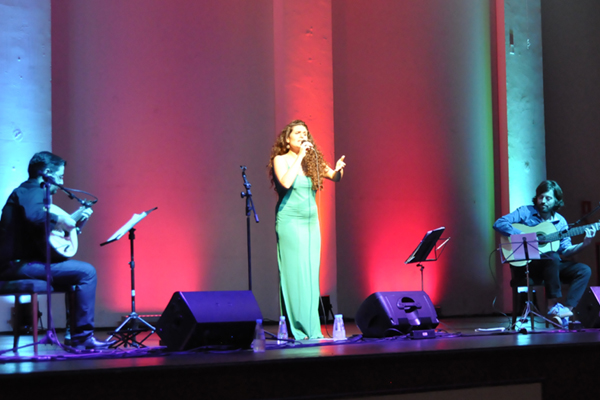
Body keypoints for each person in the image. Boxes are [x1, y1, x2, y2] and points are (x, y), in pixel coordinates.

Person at [0, 151, 114, 349]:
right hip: (16, 265)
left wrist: (75, 220)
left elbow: (42, 233)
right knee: (86, 272)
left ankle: (74, 335)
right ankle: (82, 338)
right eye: (60, 176)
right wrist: (63, 220)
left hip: (24, 262)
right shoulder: (32, 190)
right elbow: (36, 217)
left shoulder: (30, 194)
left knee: (77, 272)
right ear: (47, 173)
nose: (61, 182)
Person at [268, 120, 346, 340]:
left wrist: (339, 171)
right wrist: (300, 156)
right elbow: (285, 182)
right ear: (287, 138)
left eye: (305, 133)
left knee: (310, 274)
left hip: (311, 222)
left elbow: (333, 176)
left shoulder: (313, 161)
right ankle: (297, 328)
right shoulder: (280, 159)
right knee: (295, 274)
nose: (303, 136)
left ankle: (312, 328)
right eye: (298, 133)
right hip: (290, 221)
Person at [493, 180, 596, 324]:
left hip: (551, 267)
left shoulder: (561, 222)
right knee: (552, 256)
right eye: (541, 197)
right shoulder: (525, 212)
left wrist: (585, 244)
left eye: (548, 198)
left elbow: (566, 251)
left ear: (556, 201)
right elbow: (499, 223)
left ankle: (565, 311)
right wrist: (525, 236)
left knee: (584, 270)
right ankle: (552, 305)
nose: (543, 201)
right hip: (528, 266)